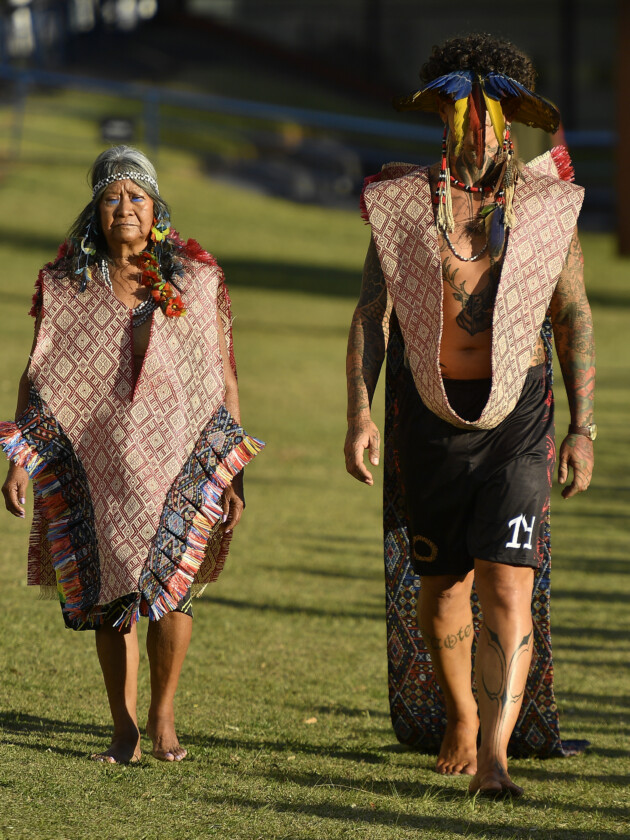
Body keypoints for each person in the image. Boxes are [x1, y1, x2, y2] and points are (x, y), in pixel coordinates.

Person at [345, 34, 595, 796]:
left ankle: (495, 755)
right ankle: (459, 713)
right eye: (463, 117)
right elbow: (371, 314)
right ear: (442, 120)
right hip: (428, 416)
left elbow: (573, 314)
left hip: (519, 419)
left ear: (513, 122)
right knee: (445, 589)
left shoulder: (550, 210)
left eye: (491, 119)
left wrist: (584, 425)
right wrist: (359, 413)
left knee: (508, 585)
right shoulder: (400, 206)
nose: (478, 133)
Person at [1, 146, 263, 764]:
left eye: (137, 197)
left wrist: (232, 474)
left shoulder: (195, 282)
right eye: (112, 197)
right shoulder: (67, 288)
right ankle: (124, 728)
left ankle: (163, 716)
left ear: (155, 210)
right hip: (103, 466)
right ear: (95, 211)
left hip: (179, 461)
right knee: (112, 597)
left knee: (174, 591)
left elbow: (221, 380)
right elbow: (39, 377)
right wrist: (20, 459)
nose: (125, 208)